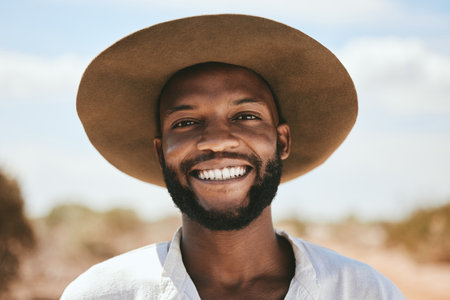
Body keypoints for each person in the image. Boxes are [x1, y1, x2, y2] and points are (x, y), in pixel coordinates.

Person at [61, 15, 406, 299]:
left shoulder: (363, 292)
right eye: (185, 122)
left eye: (246, 116)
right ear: (159, 152)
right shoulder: (102, 294)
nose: (216, 141)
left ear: (282, 141)